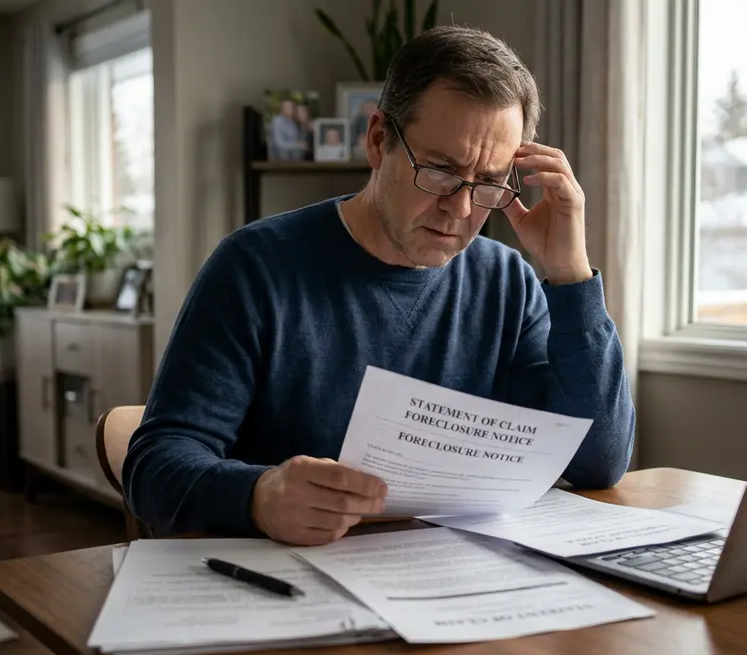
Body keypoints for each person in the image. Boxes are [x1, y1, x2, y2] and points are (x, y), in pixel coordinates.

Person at [124, 26, 635, 546]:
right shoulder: (254, 267)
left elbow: (599, 464)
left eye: (489, 182)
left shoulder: (508, 282)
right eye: (439, 169)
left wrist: (570, 276)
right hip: (290, 582)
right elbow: (153, 468)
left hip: (449, 582)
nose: (460, 209)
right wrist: (258, 495)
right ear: (377, 140)